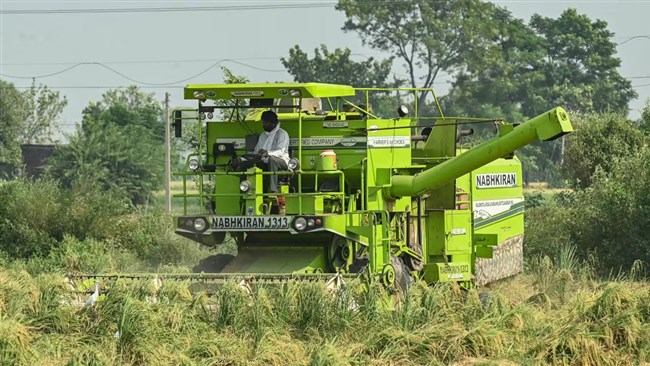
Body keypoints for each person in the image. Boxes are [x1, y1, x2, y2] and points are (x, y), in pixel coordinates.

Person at [249, 110, 290, 193]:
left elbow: (280, 151)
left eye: (264, 123)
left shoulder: (282, 134)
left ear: (271, 123)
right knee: (252, 162)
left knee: (272, 160)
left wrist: (267, 153)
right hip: (265, 161)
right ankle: (250, 189)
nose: (263, 125)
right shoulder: (263, 135)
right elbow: (257, 150)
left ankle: (273, 191)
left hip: (281, 162)